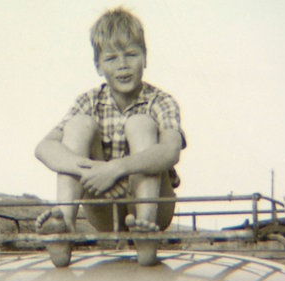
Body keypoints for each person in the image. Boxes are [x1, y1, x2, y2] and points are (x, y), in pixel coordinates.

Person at [35, 7, 186, 267]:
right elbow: (44, 147)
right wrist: (94, 170)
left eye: (131, 54)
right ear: (98, 65)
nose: (123, 65)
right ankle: (64, 226)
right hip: (103, 205)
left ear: (145, 58)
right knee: (79, 124)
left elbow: (171, 150)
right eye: (112, 58)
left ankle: (146, 232)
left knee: (140, 124)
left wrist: (117, 169)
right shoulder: (89, 101)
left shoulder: (161, 101)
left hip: (154, 206)